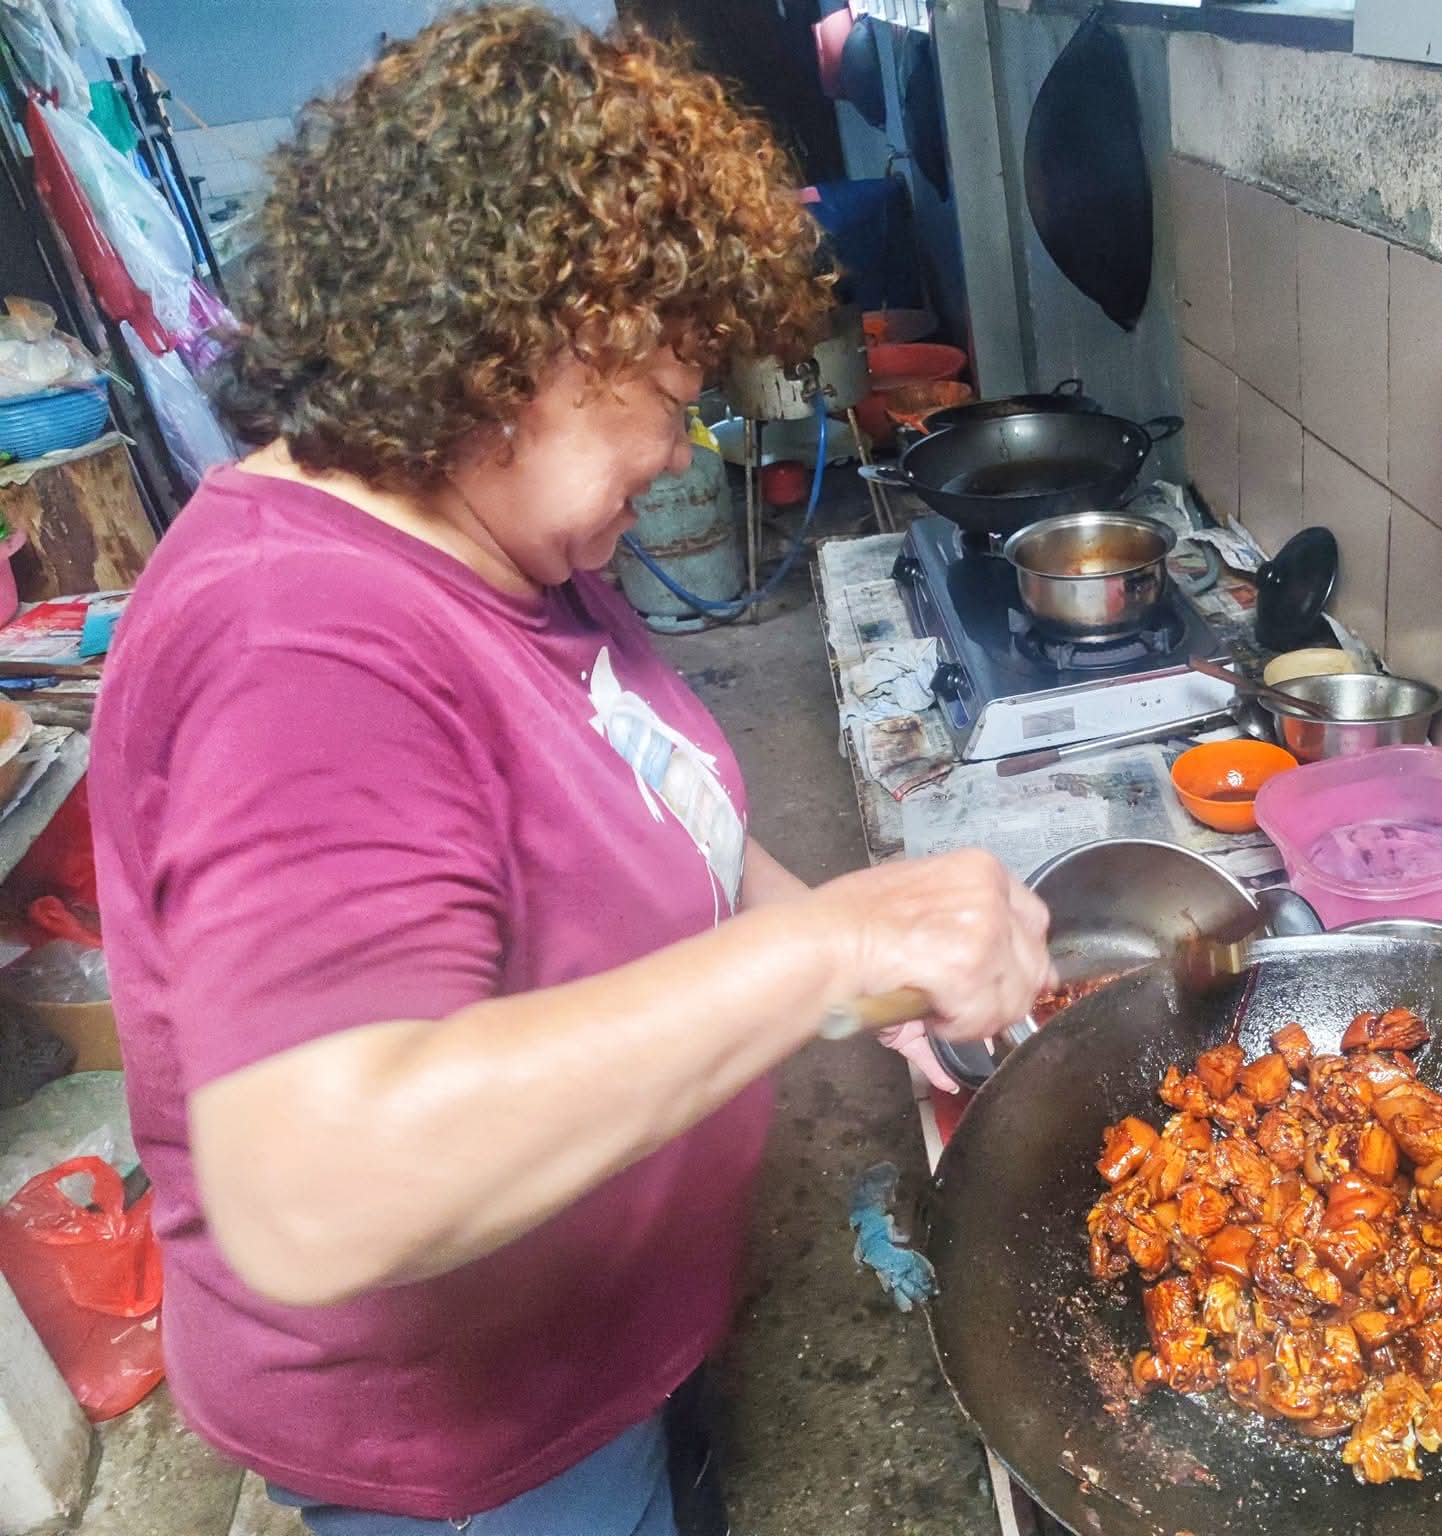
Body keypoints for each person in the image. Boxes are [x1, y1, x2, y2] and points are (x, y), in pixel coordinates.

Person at [88, 9, 1052, 1534]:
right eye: (671, 393)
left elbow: (678, 818)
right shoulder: (302, 647)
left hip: (605, 1324)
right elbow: (315, 1188)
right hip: (476, 1445)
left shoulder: (497, 534)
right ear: (534, 349)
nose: (682, 447)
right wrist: (832, 950)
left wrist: (879, 985)